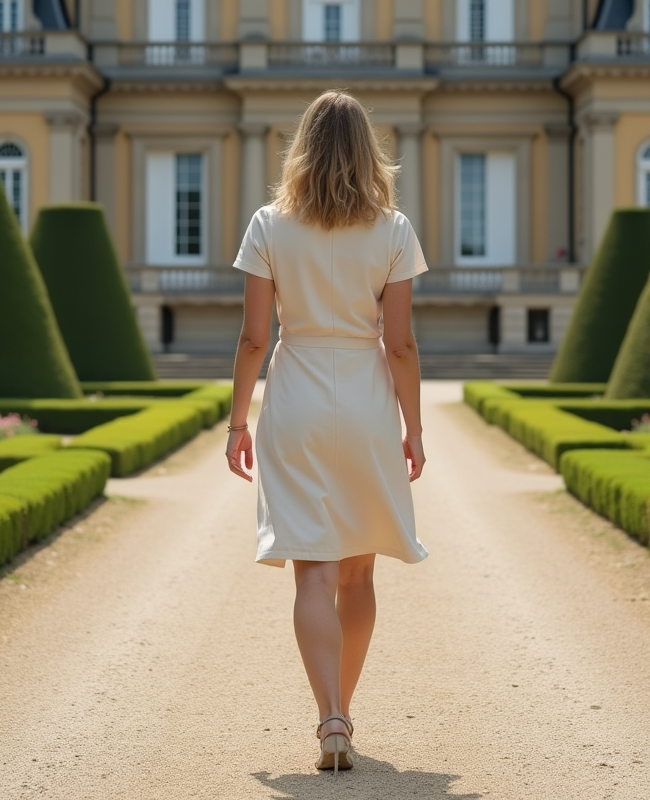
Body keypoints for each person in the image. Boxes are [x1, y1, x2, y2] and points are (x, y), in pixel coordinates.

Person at [225, 89, 429, 774]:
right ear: (368, 151)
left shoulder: (267, 224)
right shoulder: (394, 229)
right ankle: (344, 712)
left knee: (312, 566)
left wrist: (236, 422)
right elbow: (400, 345)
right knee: (359, 565)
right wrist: (415, 429)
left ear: (302, 149)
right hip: (367, 399)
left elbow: (255, 337)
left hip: (297, 395)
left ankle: (330, 716)